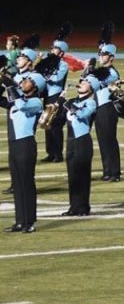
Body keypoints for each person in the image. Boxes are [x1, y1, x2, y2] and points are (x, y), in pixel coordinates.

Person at [1, 72, 45, 233]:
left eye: (27, 81)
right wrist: (3, 83)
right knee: (18, 185)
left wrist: (11, 85)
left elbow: (21, 105)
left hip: (26, 145)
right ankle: (20, 221)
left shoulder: (35, 102)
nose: (23, 82)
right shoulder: (18, 99)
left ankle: (30, 222)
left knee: (26, 184)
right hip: (14, 145)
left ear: (34, 86)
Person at [60, 73, 101, 217]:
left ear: (91, 88)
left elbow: (83, 114)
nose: (81, 83)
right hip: (70, 141)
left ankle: (83, 207)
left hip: (82, 141)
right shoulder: (72, 101)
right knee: (72, 176)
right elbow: (59, 120)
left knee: (82, 175)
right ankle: (73, 206)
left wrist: (69, 105)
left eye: (85, 82)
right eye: (81, 81)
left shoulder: (91, 102)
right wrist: (59, 103)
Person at [42, 23, 72, 163]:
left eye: (55, 48)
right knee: (47, 124)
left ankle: (58, 154)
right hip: (47, 95)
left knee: (55, 127)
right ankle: (50, 153)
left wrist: (46, 75)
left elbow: (57, 78)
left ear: (61, 51)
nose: (52, 50)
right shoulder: (48, 62)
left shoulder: (63, 64)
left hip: (56, 96)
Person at [94, 35, 122, 182]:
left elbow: (97, 81)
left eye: (103, 54)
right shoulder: (102, 71)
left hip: (107, 109)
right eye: (100, 54)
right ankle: (107, 170)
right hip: (99, 108)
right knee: (102, 140)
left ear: (111, 57)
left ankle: (115, 172)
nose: (100, 56)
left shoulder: (112, 73)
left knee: (109, 140)